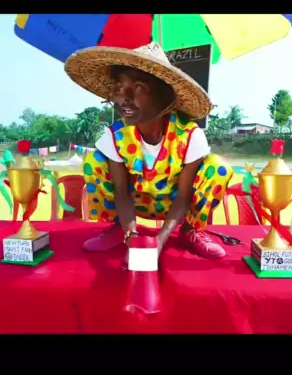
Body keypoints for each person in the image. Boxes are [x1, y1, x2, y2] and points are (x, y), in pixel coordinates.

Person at [64, 42, 233, 260]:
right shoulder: (115, 136)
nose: (125, 97)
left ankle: (190, 230)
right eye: (119, 88)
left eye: (137, 88)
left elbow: (184, 197)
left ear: (163, 96)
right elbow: (121, 193)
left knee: (218, 167)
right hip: (135, 203)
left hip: (176, 204)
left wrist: (159, 243)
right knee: (93, 161)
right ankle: (119, 228)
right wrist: (132, 237)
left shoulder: (189, 135)